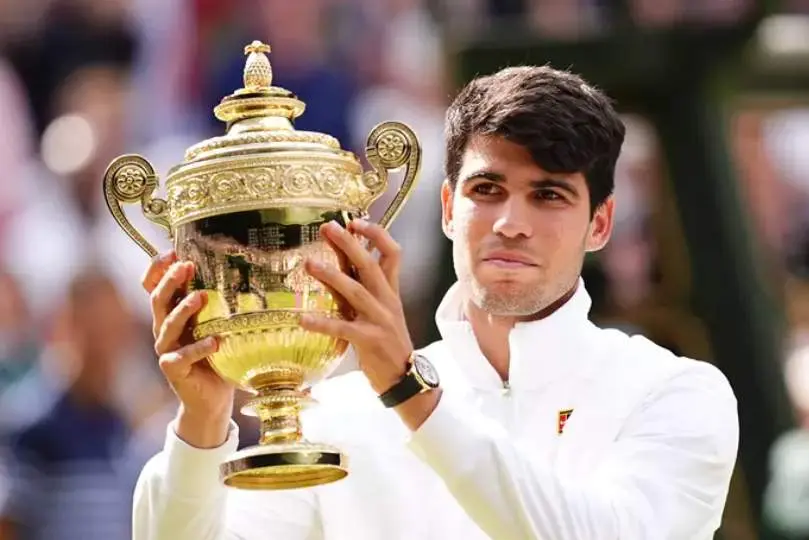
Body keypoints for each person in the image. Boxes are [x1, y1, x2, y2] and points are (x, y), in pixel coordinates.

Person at [133, 66, 739, 539]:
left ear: (600, 224)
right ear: (448, 208)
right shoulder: (338, 419)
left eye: (548, 195)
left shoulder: (674, 392)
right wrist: (203, 425)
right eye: (488, 189)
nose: (510, 223)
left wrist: (408, 392)